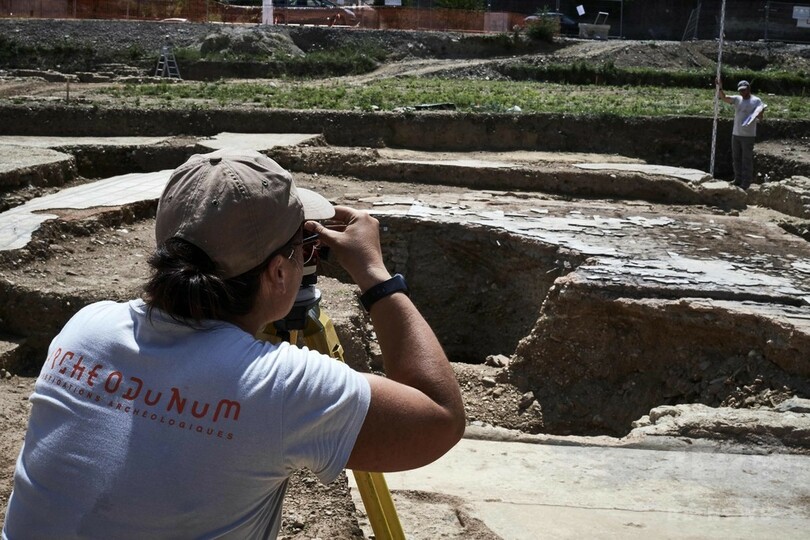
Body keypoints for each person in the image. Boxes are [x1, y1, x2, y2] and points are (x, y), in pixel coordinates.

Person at [2, 149, 465, 539]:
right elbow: (440, 420)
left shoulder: (87, 326)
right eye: (300, 248)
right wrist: (375, 276)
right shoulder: (279, 386)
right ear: (279, 273)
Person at [716, 77, 766, 189]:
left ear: (748, 89)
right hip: (736, 134)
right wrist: (720, 88)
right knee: (736, 158)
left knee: (746, 159)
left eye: (744, 90)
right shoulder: (737, 99)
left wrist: (760, 113)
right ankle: (737, 179)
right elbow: (724, 98)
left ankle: (746, 182)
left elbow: (760, 117)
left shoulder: (756, 101)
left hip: (748, 136)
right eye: (740, 90)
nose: (742, 92)